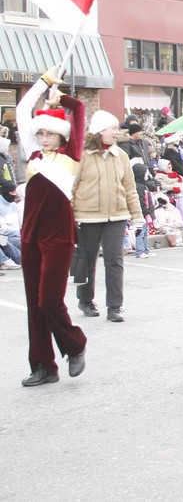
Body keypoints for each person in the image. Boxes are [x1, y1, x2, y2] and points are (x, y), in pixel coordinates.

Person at [16, 67, 88, 386]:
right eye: (41, 132)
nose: (44, 137)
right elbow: (21, 109)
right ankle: (44, 365)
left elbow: (80, 111)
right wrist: (42, 83)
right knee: (34, 305)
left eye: (50, 133)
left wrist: (62, 98)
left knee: (49, 300)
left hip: (58, 238)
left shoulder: (70, 156)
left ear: (61, 134)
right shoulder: (31, 155)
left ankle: (75, 345)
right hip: (30, 236)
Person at [72, 109, 144, 323]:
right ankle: (85, 300)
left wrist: (137, 216)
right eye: (113, 128)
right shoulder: (81, 155)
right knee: (88, 260)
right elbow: (72, 187)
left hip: (117, 215)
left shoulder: (121, 156)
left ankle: (115, 306)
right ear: (100, 130)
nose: (117, 132)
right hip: (87, 216)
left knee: (115, 260)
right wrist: (69, 216)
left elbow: (130, 189)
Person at [131, 160, 157, 259]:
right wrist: (146, 213)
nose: (148, 174)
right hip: (142, 213)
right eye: (146, 173)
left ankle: (145, 250)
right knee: (140, 233)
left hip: (147, 212)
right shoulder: (138, 187)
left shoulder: (144, 185)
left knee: (145, 233)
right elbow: (141, 201)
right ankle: (140, 251)